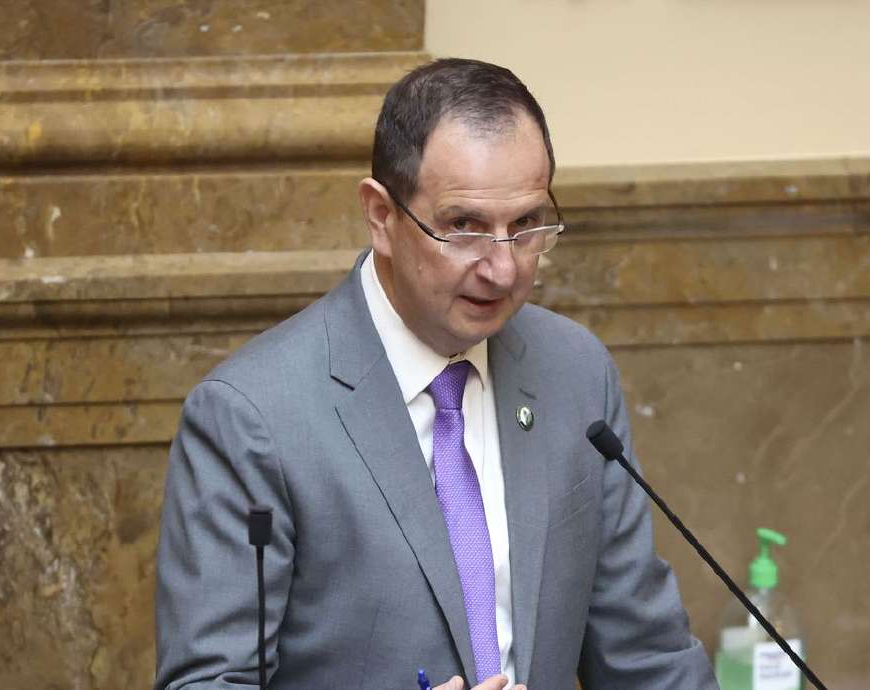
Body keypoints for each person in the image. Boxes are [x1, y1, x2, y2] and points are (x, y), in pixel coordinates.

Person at [154, 58, 717, 690]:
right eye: (464, 227)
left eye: (526, 226)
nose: (502, 270)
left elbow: (646, 657)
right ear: (381, 216)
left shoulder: (574, 372)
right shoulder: (253, 417)